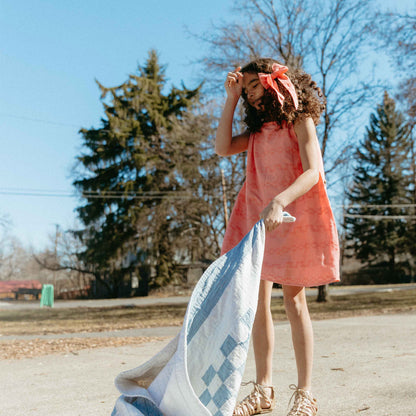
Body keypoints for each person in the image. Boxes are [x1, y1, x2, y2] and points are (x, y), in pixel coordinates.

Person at [215, 58, 340, 416]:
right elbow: (222, 148)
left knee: (294, 302)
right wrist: (230, 99)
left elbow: (314, 171)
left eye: (254, 86)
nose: (250, 94)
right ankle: (263, 389)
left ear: (275, 83)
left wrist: (281, 199)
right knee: (257, 302)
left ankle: (305, 393)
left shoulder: (300, 120)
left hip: (292, 215)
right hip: (258, 217)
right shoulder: (256, 131)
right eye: (246, 89)